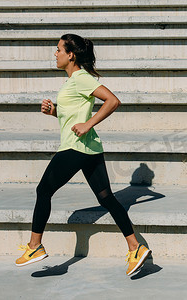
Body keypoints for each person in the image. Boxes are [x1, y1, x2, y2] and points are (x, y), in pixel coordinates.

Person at [15, 33, 151, 276]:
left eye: (58, 50)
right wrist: (53, 111)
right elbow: (72, 115)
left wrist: (88, 124)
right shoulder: (70, 83)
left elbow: (112, 101)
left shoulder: (80, 78)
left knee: (43, 191)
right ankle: (135, 247)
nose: (54, 54)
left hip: (75, 147)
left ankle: (35, 246)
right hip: (90, 149)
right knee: (107, 198)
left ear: (71, 55)